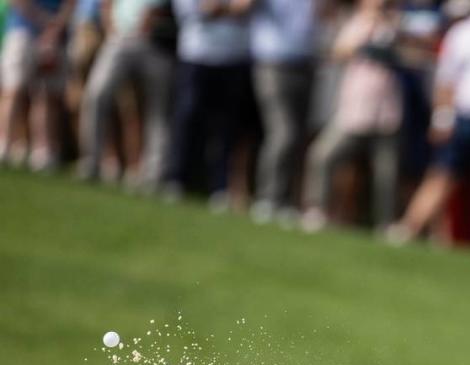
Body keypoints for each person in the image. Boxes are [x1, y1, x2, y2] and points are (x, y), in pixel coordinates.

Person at [385, 0, 470, 244]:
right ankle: (409, 230)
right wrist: (442, 118)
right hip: (464, 117)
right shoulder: (463, 33)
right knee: (443, 176)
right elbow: (446, 79)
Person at [301, 0, 402, 233]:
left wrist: (389, 28)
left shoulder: (396, 25)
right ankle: (316, 210)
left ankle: (386, 223)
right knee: (322, 155)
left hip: (387, 112)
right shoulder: (356, 23)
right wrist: (367, 32)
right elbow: (339, 52)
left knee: (387, 172)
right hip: (354, 109)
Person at [78, 0, 176, 189]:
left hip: (157, 45)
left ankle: (154, 175)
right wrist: (111, 29)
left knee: (159, 111)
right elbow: (107, 4)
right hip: (119, 40)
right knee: (97, 94)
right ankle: (91, 162)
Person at [166, 0, 252, 208]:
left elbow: (245, 8)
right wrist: (225, 9)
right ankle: (177, 178)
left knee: (225, 126)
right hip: (196, 54)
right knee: (188, 116)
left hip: (234, 57)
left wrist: (220, 9)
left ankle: (219, 187)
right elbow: (195, 10)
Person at [242, 0, 322, 222]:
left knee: (297, 137)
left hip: (305, 64)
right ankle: (267, 197)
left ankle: (285, 200)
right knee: (283, 133)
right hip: (272, 64)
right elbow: (242, 7)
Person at [0, 0, 76, 170]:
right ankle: (4, 143)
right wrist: (45, 21)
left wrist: (55, 27)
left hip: (55, 38)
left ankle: (42, 152)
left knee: (46, 95)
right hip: (22, 31)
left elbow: (71, 3)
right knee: (13, 89)